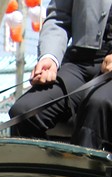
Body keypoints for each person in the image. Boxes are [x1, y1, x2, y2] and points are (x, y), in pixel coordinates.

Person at [8, 0, 112, 150]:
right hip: (81, 63)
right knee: (23, 112)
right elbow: (58, 18)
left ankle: (80, 172)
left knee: (96, 106)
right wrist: (49, 57)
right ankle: (42, 173)